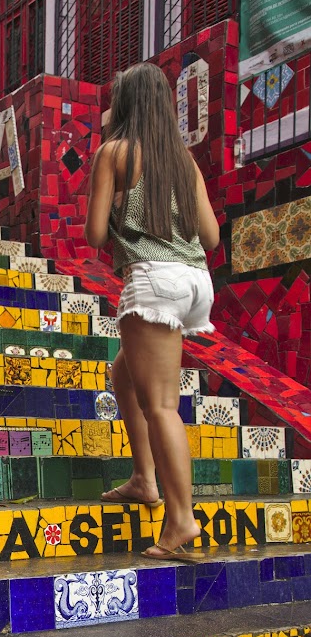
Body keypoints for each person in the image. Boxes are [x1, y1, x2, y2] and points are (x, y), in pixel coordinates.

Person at [85, 61, 220, 563]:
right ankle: (145, 479)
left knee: (161, 404)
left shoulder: (114, 153)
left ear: (124, 106)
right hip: (194, 282)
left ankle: (181, 517)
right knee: (124, 373)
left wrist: (121, 199)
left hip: (154, 280)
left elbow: (95, 234)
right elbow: (210, 236)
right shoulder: (184, 161)